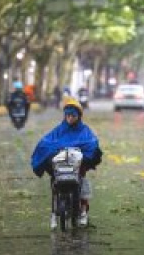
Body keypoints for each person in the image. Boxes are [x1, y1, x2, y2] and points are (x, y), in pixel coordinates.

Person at [31, 97, 102, 228]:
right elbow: (47, 141)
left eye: (73, 115)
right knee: (54, 178)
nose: (70, 118)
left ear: (78, 116)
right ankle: (53, 210)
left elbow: (91, 142)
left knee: (82, 180)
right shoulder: (59, 130)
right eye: (67, 115)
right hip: (60, 166)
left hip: (77, 166)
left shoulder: (84, 131)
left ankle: (83, 211)